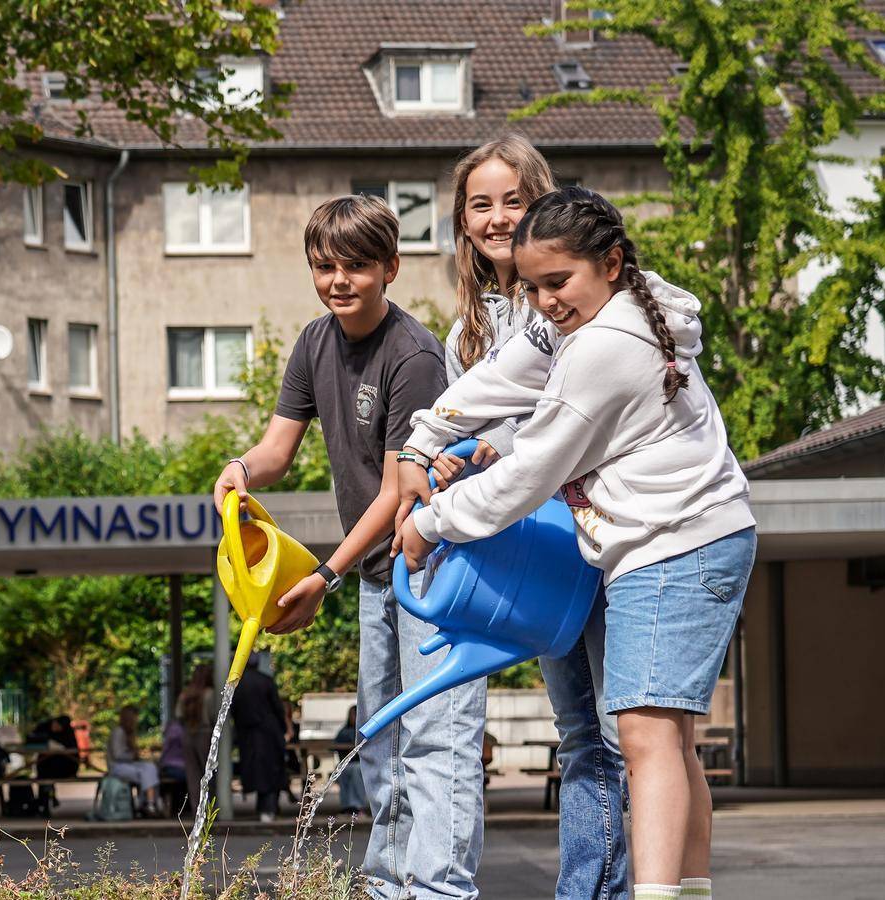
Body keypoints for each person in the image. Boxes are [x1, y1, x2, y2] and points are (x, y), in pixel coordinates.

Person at [398, 187, 757, 900]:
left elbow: (528, 473)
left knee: (646, 739)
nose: (543, 301)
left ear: (612, 264)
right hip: (693, 539)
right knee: (669, 744)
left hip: (674, 547)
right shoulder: (601, 315)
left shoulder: (603, 348)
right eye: (530, 286)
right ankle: (686, 893)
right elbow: (502, 376)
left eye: (557, 282)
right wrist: (427, 434)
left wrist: (430, 522)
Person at [211, 193, 479, 895]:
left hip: (431, 564)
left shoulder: (412, 355)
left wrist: (324, 575)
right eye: (324, 266)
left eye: (356, 267)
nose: (338, 281)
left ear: (389, 268)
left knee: (432, 739)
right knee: (381, 739)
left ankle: (440, 889)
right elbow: (277, 448)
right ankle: (389, 885)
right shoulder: (313, 342)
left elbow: (396, 491)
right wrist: (239, 471)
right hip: (373, 575)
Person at [401, 134, 632, 900]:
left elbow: (556, 424)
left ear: (543, 205)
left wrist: (489, 456)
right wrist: (446, 457)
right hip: (538, 542)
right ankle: (590, 888)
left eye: (513, 200)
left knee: (617, 732)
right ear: (462, 222)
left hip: (596, 528)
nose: (498, 218)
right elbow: (480, 423)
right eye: (481, 204)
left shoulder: (574, 303)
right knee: (579, 732)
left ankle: (610, 888)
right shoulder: (468, 327)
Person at [232, 653, 288, 823]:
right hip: (269, 733)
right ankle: (269, 808)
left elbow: (232, 709)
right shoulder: (265, 681)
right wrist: (283, 728)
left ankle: (264, 809)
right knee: (271, 771)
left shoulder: (237, 684)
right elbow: (278, 707)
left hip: (247, 734)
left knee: (255, 771)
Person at [107, 705, 162, 816]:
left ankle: (148, 803)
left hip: (128, 764)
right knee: (146, 772)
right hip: (117, 767)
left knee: (150, 768)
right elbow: (118, 755)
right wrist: (133, 756)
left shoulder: (129, 733)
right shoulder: (119, 732)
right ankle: (150, 803)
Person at [160, 695, 192, 815]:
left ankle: (183, 806)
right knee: (189, 776)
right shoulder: (176, 728)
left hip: (180, 764)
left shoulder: (181, 727)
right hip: (173, 765)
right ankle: (182, 807)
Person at [333, 706, 365, 813]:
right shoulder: (344, 731)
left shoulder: (365, 729)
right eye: (352, 715)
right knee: (341, 770)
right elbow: (336, 745)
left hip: (363, 763)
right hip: (348, 763)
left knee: (356, 770)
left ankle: (357, 806)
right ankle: (346, 806)